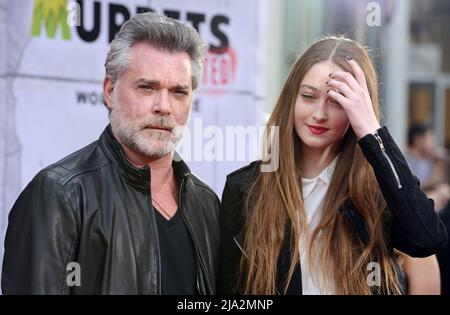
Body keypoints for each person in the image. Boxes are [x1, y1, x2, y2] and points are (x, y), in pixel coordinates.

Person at [2, 12, 220, 294]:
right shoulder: (60, 195)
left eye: (179, 92)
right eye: (147, 87)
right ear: (109, 90)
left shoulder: (206, 203)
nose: (164, 106)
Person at [217, 36, 448, 295]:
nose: (319, 114)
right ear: (291, 99)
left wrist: (372, 132)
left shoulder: (375, 192)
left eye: (337, 101)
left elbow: (427, 239)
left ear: (358, 110)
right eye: (308, 96)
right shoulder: (246, 189)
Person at [404, 124, 450, 212]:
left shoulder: (425, 159)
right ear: (418, 139)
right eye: (431, 140)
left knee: (444, 190)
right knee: (443, 193)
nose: (433, 145)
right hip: (411, 202)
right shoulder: (407, 158)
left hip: (422, 198)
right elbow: (416, 186)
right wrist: (438, 164)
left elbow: (437, 182)